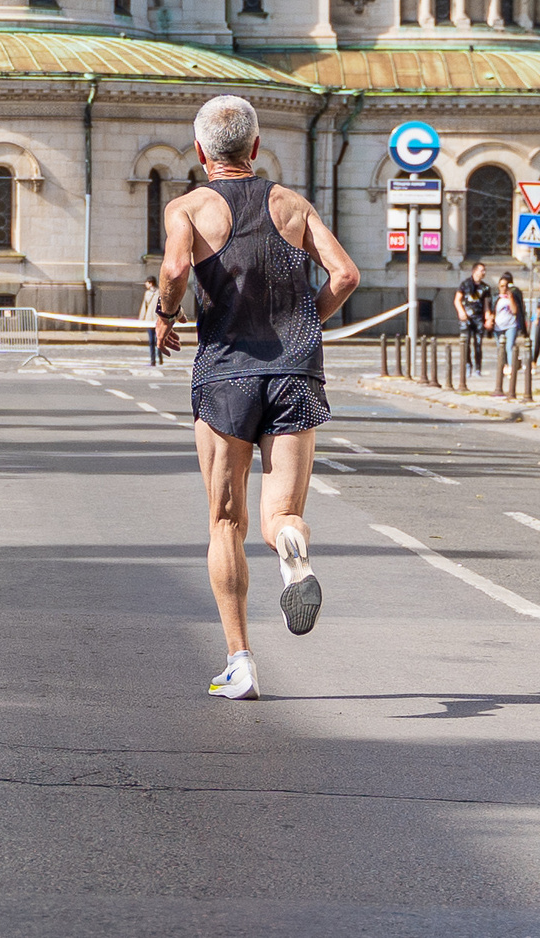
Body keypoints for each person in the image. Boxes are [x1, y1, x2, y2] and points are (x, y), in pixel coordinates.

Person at [155, 95, 360, 703]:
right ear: (256, 145)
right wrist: (307, 324)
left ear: (200, 152)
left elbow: (171, 270)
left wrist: (167, 314)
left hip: (226, 377)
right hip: (296, 374)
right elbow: (345, 275)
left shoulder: (189, 207)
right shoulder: (292, 205)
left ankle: (240, 664)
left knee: (225, 521)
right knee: (280, 516)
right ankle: (292, 548)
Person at [455, 261, 495, 377]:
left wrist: (488, 318)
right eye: (481, 270)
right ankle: (468, 366)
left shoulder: (485, 287)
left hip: (478, 318)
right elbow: (457, 299)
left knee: (478, 343)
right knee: (466, 343)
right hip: (466, 318)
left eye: (484, 271)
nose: (484, 273)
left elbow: (487, 305)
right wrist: (461, 312)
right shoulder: (465, 284)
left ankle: (478, 368)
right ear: (474, 271)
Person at [493, 275, 523, 384]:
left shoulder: (512, 297)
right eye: (501, 286)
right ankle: (503, 366)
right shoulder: (496, 298)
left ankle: (511, 367)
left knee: (509, 346)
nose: (504, 288)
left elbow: (515, 311)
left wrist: (510, 298)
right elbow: (492, 311)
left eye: (506, 286)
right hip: (498, 326)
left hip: (511, 325)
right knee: (500, 348)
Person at [139, 276, 161, 367]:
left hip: (157, 320)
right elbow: (144, 306)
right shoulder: (147, 293)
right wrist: (141, 319)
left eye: (147, 282)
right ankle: (153, 360)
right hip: (149, 319)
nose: (146, 284)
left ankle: (160, 357)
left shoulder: (159, 293)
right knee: (151, 340)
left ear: (151, 283)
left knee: (158, 339)